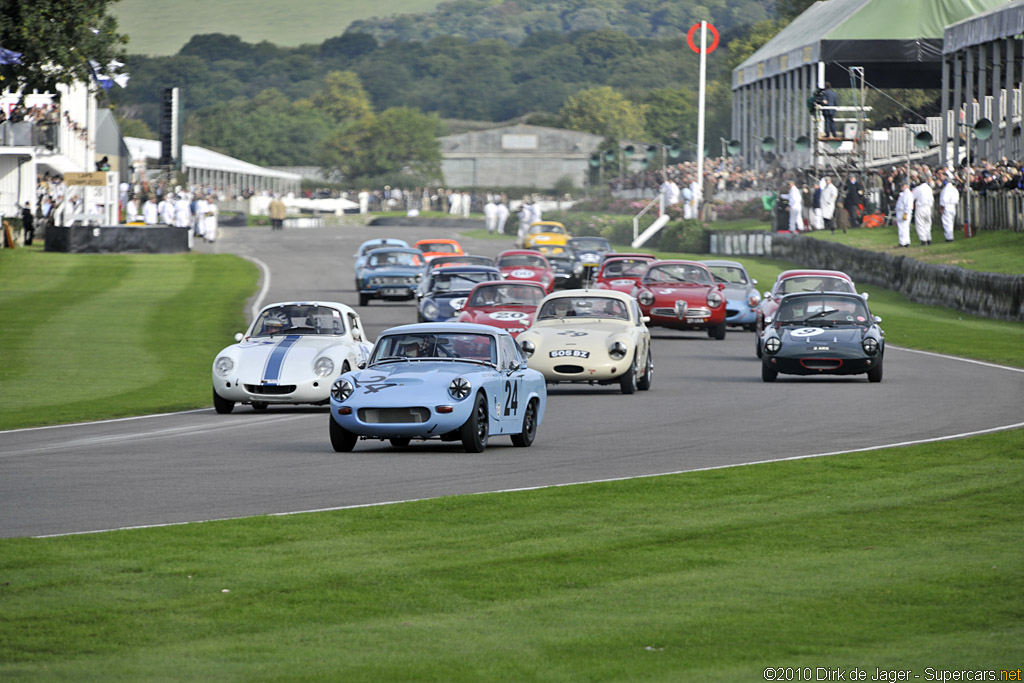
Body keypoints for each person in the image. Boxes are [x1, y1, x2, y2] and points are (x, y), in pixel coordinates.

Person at [912, 179, 934, 246]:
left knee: (920, 223)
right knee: (927, 223)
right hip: (928, 207)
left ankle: (923, 240)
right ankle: (929, 238)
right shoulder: (929, 188)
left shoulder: (918, 188)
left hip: (921, 206)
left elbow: (912, 197)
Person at [939, 178, 960, 242]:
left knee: (947, 223)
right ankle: (950, 236)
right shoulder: (955, 189)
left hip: (947, 206)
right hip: (953, 206)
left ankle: (949, 238)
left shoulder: (946, 190)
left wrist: (941, 208)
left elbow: (944, 200)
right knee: (951, 222)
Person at [894, 180, 914, 248]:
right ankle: (906, 242)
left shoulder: (907, 194)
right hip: (901, 212)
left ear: (907, 186)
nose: (901, 187)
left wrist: (906, 213)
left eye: (902, 185)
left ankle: (902, 242)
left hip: (904, 212)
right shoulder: (904, 193)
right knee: (904, 227)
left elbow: (908, 205)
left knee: (903, 227)